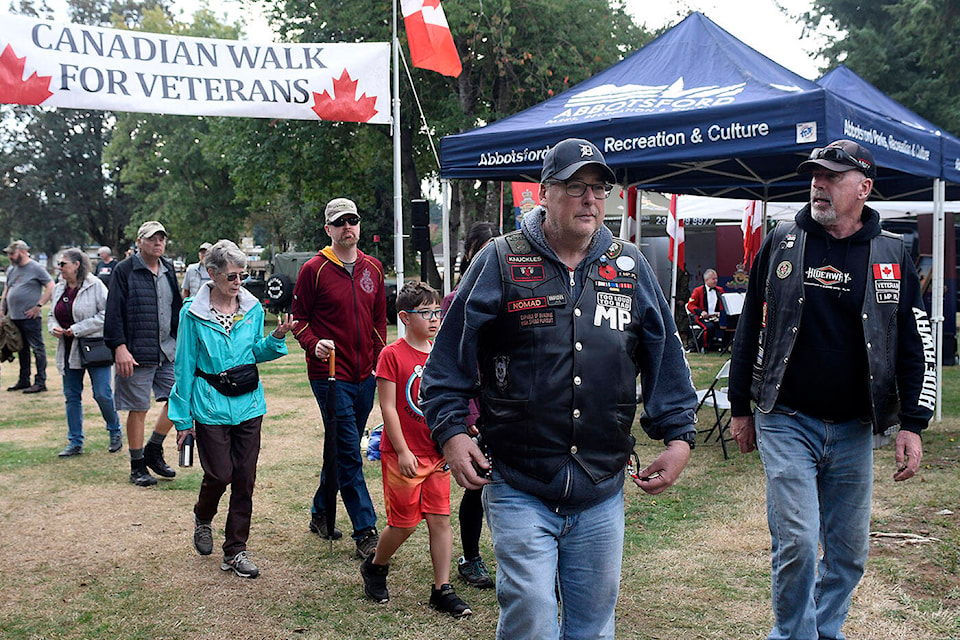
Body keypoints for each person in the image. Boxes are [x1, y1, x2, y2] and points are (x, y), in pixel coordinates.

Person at [420, 138, 698, 639]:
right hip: (520, 480)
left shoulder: (630, 266)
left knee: (592, 626)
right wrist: (451, 431)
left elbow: (666, 356)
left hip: (600, 484)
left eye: (598, 188)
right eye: (576, 187)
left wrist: (679, 437)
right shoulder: (500, 260)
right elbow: (447, 360)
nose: (590, 199)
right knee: (531, 615)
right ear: (544, 193)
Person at [728, 139, 934, 640]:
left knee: (848, 552)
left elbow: (912, 341)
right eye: (815, 175)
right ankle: (793, 634)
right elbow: (749, 326)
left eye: (832, 176)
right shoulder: (781, 241)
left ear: (863, 188)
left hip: (854, 427)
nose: (818, 183)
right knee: (797, 541)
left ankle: (824, 629)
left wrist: (912, 425)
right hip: (787, 417)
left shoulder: (892, 253)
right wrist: (740, 406)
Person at [169, 240, 293, 579]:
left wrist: (277, 338)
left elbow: (256, 352)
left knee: (244, 479)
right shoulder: (192, 312)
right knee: (219, 474)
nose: (239, 282)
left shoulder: (251, 309)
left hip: (250, 404)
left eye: (244, 275)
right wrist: (182, 420)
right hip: (209, 406)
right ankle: (203, 518)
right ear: (212, 274)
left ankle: (236, 550)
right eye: (232, 276)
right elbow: (183, 367)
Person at [360, 282, 472, 617]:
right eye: (426, 313)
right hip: (404, 456)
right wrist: (403, 450)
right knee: (405, 523)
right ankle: (376, 566)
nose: (435, 318)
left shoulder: (441, 353)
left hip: (437, 454)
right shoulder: (391, 355)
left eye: (437, 311)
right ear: (405, 317)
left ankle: (442, 589)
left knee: (440, 520)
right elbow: (390, 408)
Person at [292, 197, 387, 559]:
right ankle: (366, 530)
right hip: (330, 376)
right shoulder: (313, 269)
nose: (348, 227)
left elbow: (380, 322)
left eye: (353, 220)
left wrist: (381, 361)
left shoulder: (374, 268)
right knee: (349, 451)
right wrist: (313, 343)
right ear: (328, 229)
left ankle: (320, 513)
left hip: (365, 374)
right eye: (340, 222)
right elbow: (298, 318)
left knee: (338, 447)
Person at [440, 221, 499, 590]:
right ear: (471, 253)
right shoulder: (454, 300)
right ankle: (471, 557)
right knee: (476, 484)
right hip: (476, 409)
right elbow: (453, 365)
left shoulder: (513, 290)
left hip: (507, 405)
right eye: (484, 248)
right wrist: (469, 416)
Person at [104, 221, 182, 487]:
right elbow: (113, 310)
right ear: (140, 242)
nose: (158, 243)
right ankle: (137, 465)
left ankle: (153, 449)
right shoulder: (124, 270)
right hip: (135, 352)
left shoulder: (169, 268)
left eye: (161, 238)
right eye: (152, 239)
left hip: (166, 349)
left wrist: (180, 340)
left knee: (180, 398)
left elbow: (176, 310)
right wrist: (119, 346)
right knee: (138, 408)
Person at [48, 248, 123, 457]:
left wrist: (78, 329)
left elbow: (106, 314)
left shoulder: (96, 285)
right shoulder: (59, 287)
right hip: (68, 349)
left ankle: (115, 430)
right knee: (71, 396)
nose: (60, 268)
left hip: (94, 348)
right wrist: (53, 327)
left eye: (63, 264)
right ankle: (75, 441)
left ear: (76, 265)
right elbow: (51, 314)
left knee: (102, 393)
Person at [1, 240, 54, 394]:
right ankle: (24, 380)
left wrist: (39, 305)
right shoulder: (12, 269)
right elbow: (7, 290)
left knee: (37, 348)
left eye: (12, 253)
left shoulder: (36, 268)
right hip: (14, 317)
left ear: (22, 252)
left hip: (30, 317)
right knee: (21, 349)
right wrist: (2, 309)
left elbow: (50, 286)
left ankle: (40, 381)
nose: (10, 256)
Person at [686, 268, 725, 351]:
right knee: (709, 327)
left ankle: (723, 346)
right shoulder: (698, 291)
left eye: (716, 278)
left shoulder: (720, 290)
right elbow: (690, 305)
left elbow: (723, 305)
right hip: (702, 317)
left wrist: (720, 312)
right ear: (706, 280)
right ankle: (706, 346)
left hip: (716, 317)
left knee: (727, 326)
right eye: (713, 279)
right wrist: (701, 312)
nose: (716, 281)